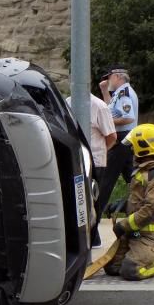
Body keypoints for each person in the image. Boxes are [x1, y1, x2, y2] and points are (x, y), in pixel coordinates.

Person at [101, 123, 154, 281]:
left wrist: (124, 225)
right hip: (136, 232)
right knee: (112, 267)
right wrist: (122, 205)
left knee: (131, 270)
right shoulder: (143, 172)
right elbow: (141, 202)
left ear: (143, 147)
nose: (131, 150)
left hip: (151, 235)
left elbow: (152, 208)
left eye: (133, 146)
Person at [67, 93, 117, 248]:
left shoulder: (99, 106)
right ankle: (84, 238)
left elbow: (111, 136)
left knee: (93, 201)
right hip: (75, 159)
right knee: (78, 199)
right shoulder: (67, 102)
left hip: (95, 160)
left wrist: (99, 151)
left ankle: (93, 238)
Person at [95, 65, 139, 228]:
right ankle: (143, 207)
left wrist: (105, 122)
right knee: (133, 178)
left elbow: (128, 117)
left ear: (118, 76)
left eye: (109, 77)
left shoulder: (124, 93)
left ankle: (94, 218)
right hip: (126, 139)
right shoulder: (119, 93)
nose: (107, 80)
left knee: (106, 179)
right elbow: (110, 111)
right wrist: (105, 91)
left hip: (121, 139)